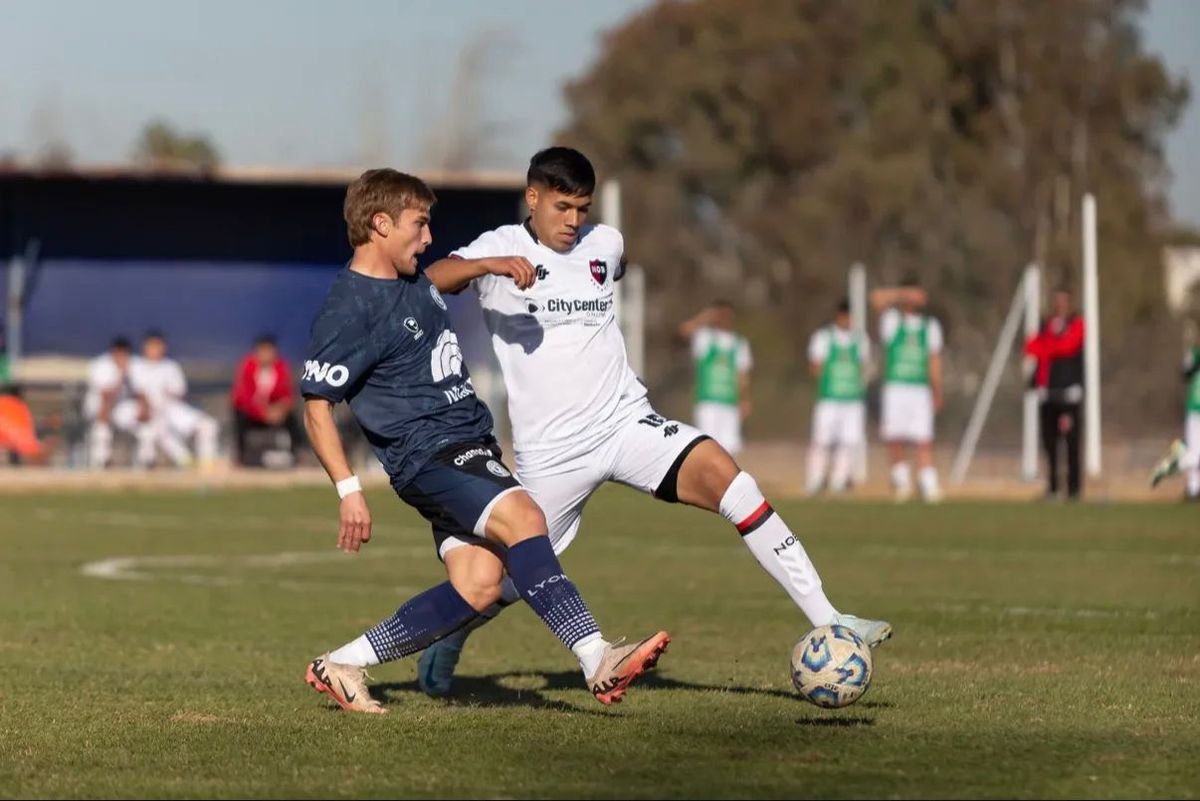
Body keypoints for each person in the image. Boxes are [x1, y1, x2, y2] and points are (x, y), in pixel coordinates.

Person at [416, 146, 891, 697]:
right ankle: (451, 636)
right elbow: (435, 277)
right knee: (500, 579)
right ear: (533, 197)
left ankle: (830, 619)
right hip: (553, 452)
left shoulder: (605, 243)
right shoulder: (500, 246)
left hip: (626, 422)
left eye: (583, 209)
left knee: (728, 477)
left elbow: (611, 267)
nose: (574, 221)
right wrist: (487, 267)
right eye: (562, 207)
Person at [299, 168, 669, 714]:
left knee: (477, 586)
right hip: (431, 453)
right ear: (380, 225)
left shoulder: (409, 280)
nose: (428, 239)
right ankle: (597, 658)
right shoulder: (349, 308)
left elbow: (445, 279)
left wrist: (490, 264)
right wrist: (349, 490)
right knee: (526, 519)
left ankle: (341, 664)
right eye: (419, 225)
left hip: (465, 444)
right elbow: (316, 408)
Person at [871, 278, 944, 503]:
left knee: (923, 437)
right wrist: (903, 293)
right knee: (895, 436)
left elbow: (934, 360)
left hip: (919, 388)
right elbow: (875, 299)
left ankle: (927, 482)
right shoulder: (893, 321)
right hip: (896, 386)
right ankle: (900, 481)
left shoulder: (929, 326)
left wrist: (937, 389)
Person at [1024, 288, 1085, 500]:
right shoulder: (1046, 324)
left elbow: (1068, 346)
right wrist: (1047, 347)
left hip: (1069, 395)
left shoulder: (1076, 323)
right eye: (1056, 300)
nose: (1060, 304)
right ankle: (1052, 488)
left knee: (1071, 443)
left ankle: (1074, 489)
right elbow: (1031, 346)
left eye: (1064, 300)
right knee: (1050, 444)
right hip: (1048, 393)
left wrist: (1046, 346)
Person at [805, 300, 870, 495]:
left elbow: (863, 367)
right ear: (837, 316)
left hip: (852, 400)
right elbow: (815, 366)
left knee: (848, 442)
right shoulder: (824, 338)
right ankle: (815, 480)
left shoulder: (860, 340)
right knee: (821, 441)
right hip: (829, 399)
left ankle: (838, 481)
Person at [130, 331, 219, 469]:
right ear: (144, 347)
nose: (154, 349)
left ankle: (206, 467)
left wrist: (168, 396)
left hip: (171, 408)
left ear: (163, 347)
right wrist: (146, 407)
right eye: (151, 345)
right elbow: (139, 392)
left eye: (158, 345)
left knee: (208, 426)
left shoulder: (171, 366)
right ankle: (185, 461)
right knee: (151, 431)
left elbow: (180, 392)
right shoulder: (136, 366)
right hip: (145, 411)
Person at [677, 301, 753, 455]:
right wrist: (705, 317)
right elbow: (684, 330)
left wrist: (744, 399)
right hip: (708, 402)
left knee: (730, 449)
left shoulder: (739, 344)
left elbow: (742, 375)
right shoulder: (705, 338)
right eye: (720, 315)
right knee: (706, 446)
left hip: (729, 403)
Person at [231, 334, 303, 466]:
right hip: (253, 413)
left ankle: (296, 454)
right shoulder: (247, 366)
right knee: (239, 415)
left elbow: (287, 394)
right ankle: (240, 456)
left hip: (275, 412)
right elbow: (242, 397)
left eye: (269, 351)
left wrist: (280, 409)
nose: (266, 355)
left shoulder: (281, 367)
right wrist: (262, 412)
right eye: (263, 350)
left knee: (293, 419)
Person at [84, 336, 156, 468]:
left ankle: (147, 462)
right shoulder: (100, 365)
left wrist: (144, 411)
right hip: (98, 407)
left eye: (125, 354)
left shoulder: (136, 364)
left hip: (121, 407)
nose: (122, 357)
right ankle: (101, 462)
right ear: (113, 352)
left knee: (147, 428)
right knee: (101, 430)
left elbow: (143, 393)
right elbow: (105, 401)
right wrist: (120, 375)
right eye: (119, 353)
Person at [1150, 341, 1200, 498]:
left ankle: (1193, 489)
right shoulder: (1196, 353)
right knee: (1195, 454)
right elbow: (1185, 371)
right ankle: (1173, 463)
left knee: (1195, 452)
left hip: (1193, 407)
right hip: (1196, 408)